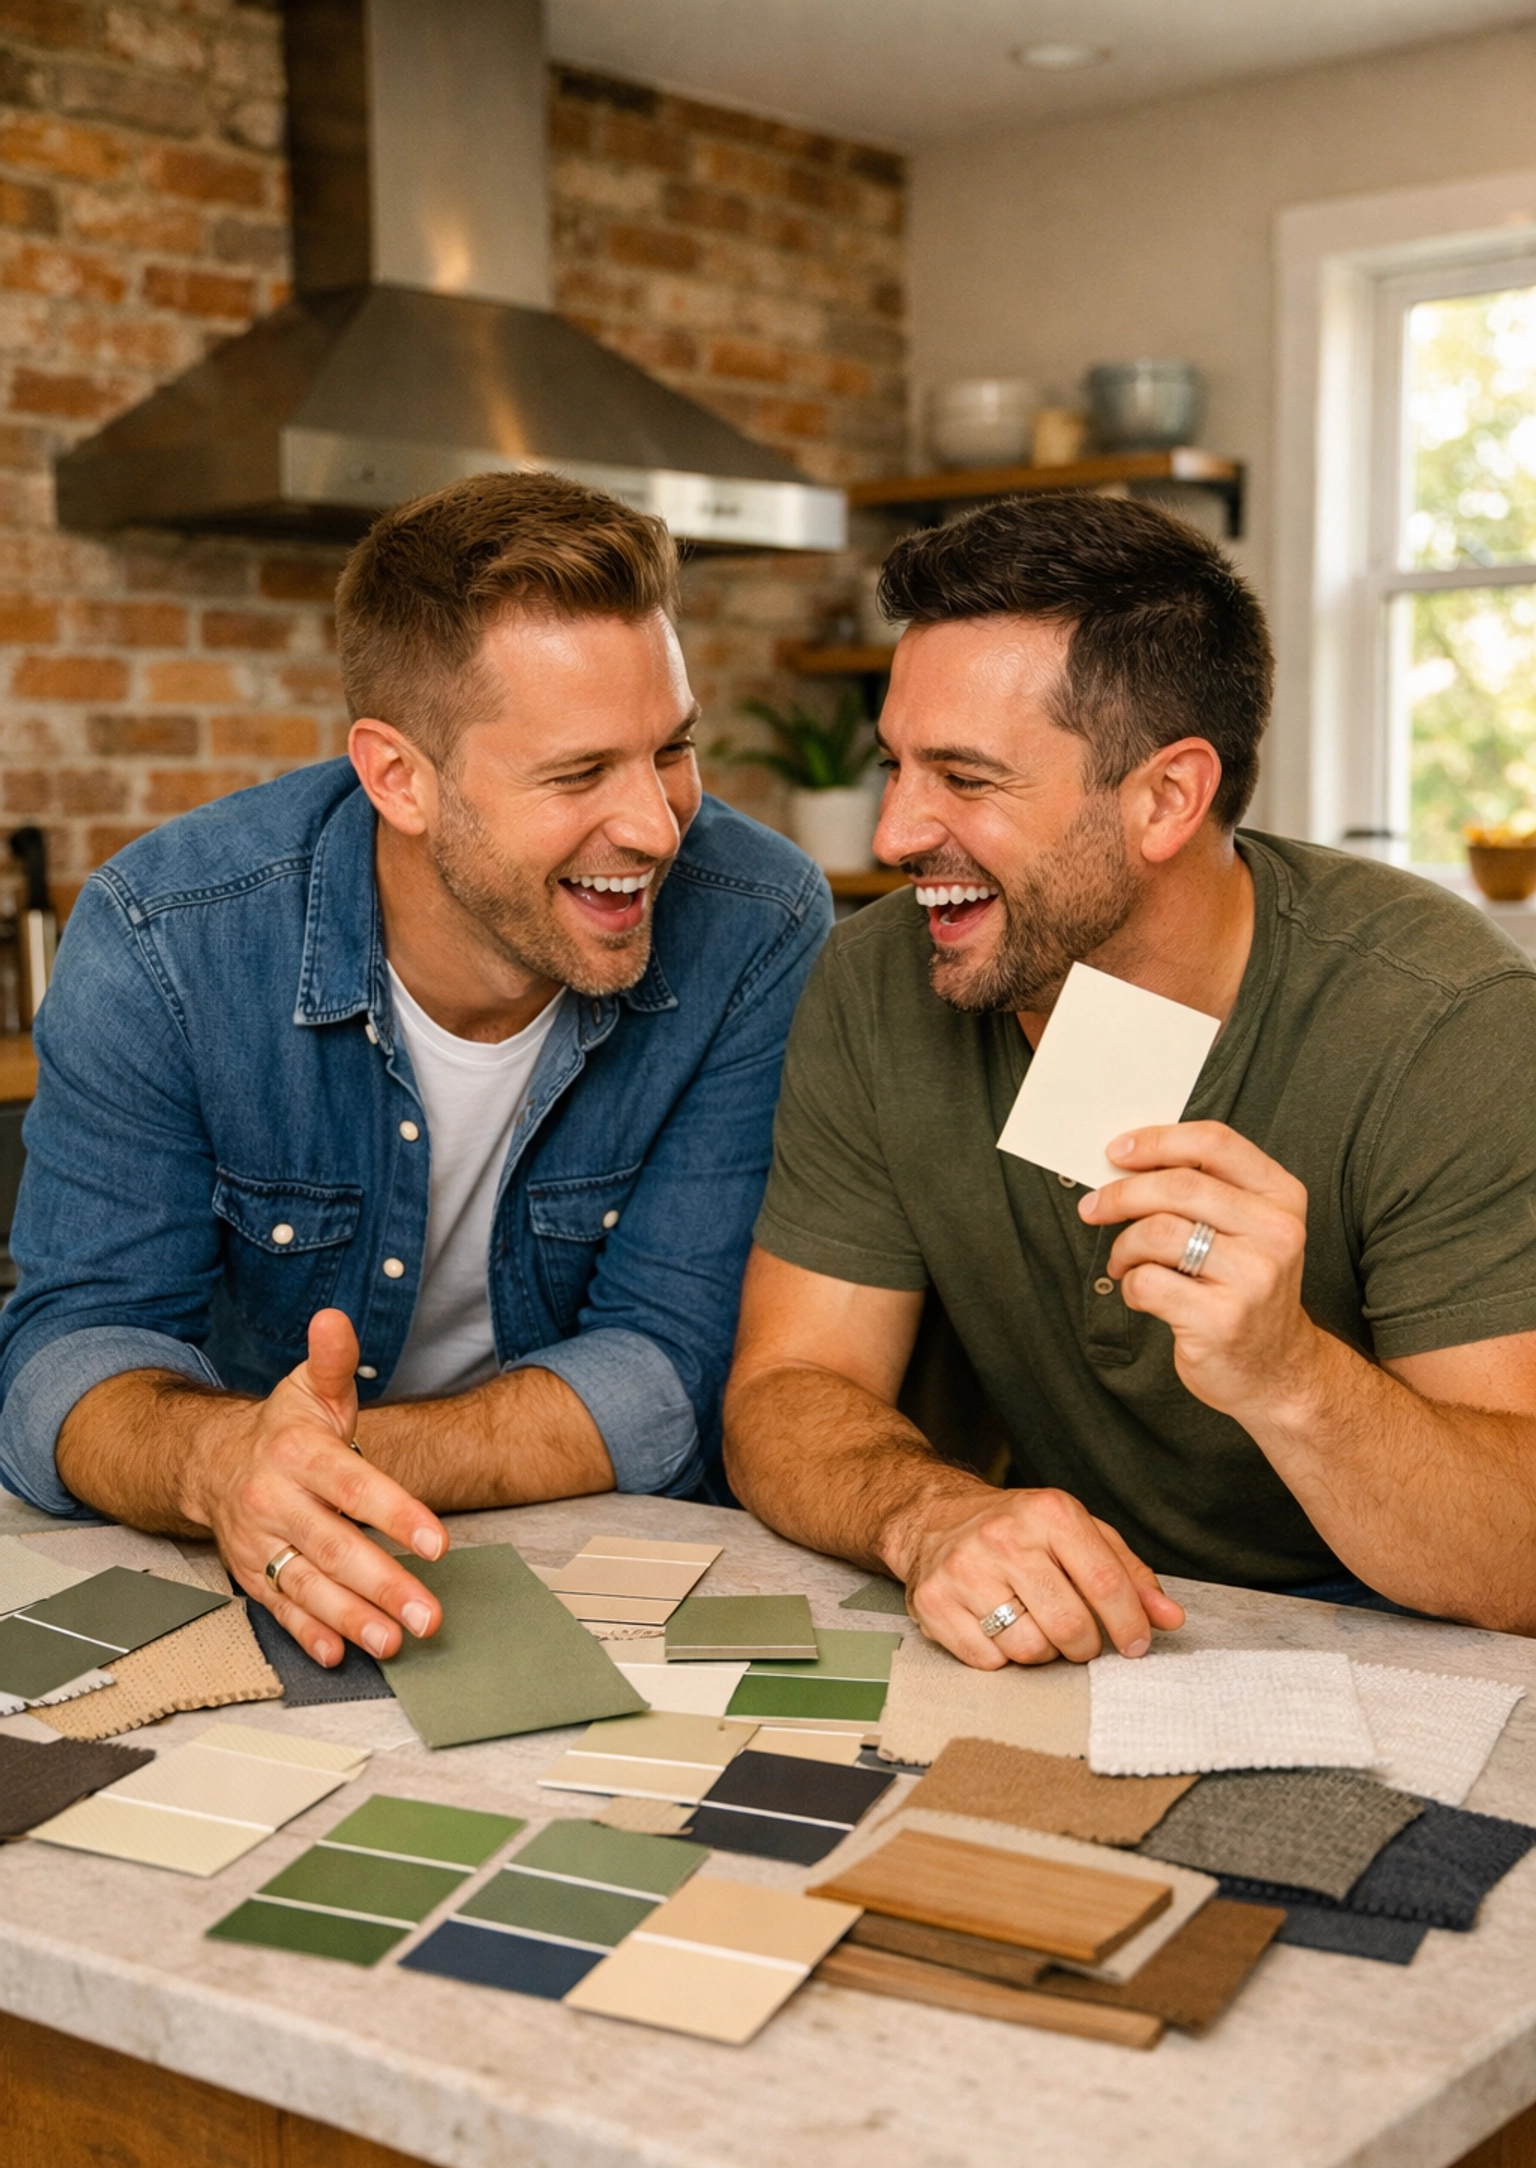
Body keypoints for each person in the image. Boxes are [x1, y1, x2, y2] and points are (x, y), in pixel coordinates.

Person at [0, 471, 829, 1668]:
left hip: (606, 1576)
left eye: (674, 749)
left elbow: (674, 1364)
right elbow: (70, 1353)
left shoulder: (756, 922)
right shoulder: (164, 935)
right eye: (580, 772)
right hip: (229, 1577)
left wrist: (304, 1468)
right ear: (398, 777)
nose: (656, 824)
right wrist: (221, 1465)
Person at [724, 493, 1536, 1672]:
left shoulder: (1443, 1023)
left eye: (965, 777)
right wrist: (931, 1513)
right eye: (897, 764)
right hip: (1080, 1628)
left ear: (1166, 797)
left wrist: (1289, 1373)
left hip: (1405, 1638)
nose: (897, 832)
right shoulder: (879, 979)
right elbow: (791, 1385)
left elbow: (1518, 1561)